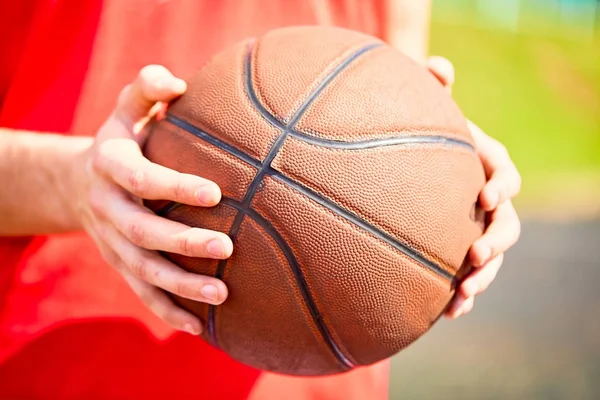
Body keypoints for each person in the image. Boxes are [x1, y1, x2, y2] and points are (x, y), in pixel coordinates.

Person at [0, 0, 521, 398]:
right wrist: (73, 183)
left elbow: (402, 76)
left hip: (319, 360)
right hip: (52, 355)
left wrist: (446, 177)